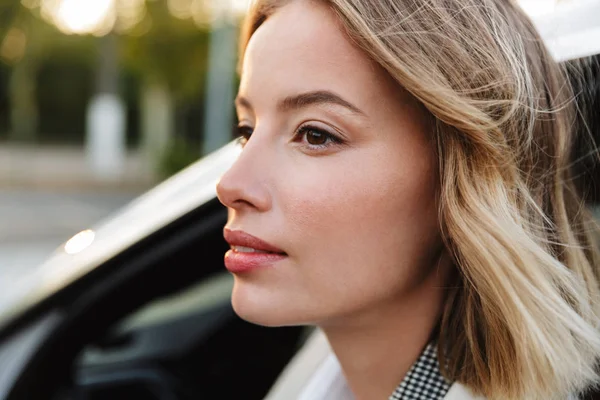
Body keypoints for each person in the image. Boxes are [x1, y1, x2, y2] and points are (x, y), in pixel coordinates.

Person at [215, 0, 600, 399]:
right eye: (247, 130)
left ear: (467, 179)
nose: (230, 184)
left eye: (316, 134)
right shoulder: (314, 373)